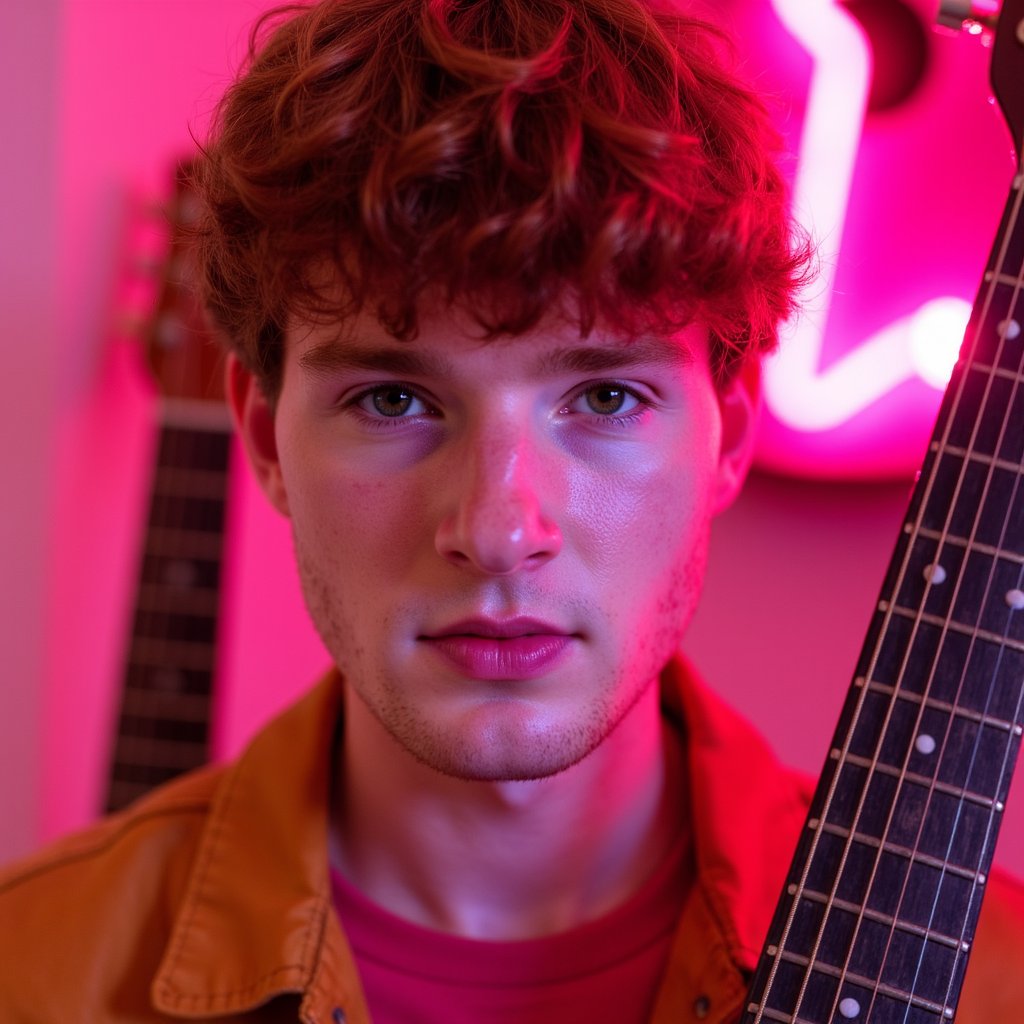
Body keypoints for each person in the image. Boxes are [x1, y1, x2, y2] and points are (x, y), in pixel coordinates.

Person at [2, 0, 1022, 1020]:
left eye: (604, 397)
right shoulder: (33, 969)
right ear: (266, 438)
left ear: (732, 432)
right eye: (393, 399)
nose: (497, 529)